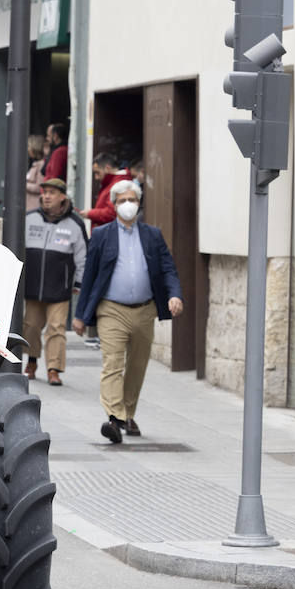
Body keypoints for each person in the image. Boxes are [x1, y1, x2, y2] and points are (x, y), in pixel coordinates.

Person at [73, 179, 184, 443]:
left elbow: (168, 268)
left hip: (145, 310)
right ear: (113, 205)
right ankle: (114, 418)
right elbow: (90, 275)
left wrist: (175, 295)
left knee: (137, 365)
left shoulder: (152, 235)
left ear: (139, 203)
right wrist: (80, 315)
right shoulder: (101, 235)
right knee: (113, 363)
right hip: (111, 309)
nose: (127, 205)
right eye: (122, 200)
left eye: (132, 200)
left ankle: (127, 413)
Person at [23, 178, 86, 386]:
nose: (47, 196)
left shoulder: (75, 224)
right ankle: (31, 361)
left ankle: (54, 369)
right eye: (45, 192)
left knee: (57, 328)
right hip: (32, 286)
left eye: (52, 193)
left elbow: (82, 256)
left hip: (60, 287)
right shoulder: (30, 218)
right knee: (30, 326)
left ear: (62, 197)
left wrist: (79, 282)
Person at [81, 152, 133, 228]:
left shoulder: (119, 184)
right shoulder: (112, 183)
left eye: (97, 173)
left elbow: (111, 214)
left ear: (107, 168)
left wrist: (90, 213)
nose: (96, 177)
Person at [24, 134, 48, 212]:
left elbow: (39, 187)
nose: (27, 149)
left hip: (35, 207)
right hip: (29, 206)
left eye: (29, 146)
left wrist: (22, 184)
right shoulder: (36, 164)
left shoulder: (41, 165)